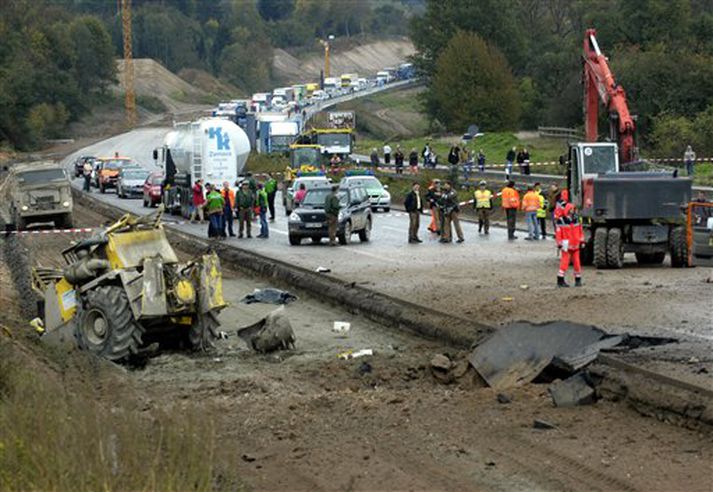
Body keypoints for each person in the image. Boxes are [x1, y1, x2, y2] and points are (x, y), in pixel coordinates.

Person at [555, 191, 584, 287]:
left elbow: (580, 231)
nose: (573, 211)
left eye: (573, 209)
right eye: (571, 209)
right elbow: (558, 232)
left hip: (574, 244)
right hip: (566, 244)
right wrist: (559, 243)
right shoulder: (562, 220)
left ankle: (578, 280)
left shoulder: (576, 219)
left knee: (577, 263)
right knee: (565, 262)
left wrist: (582, 240)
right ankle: (560, 280)